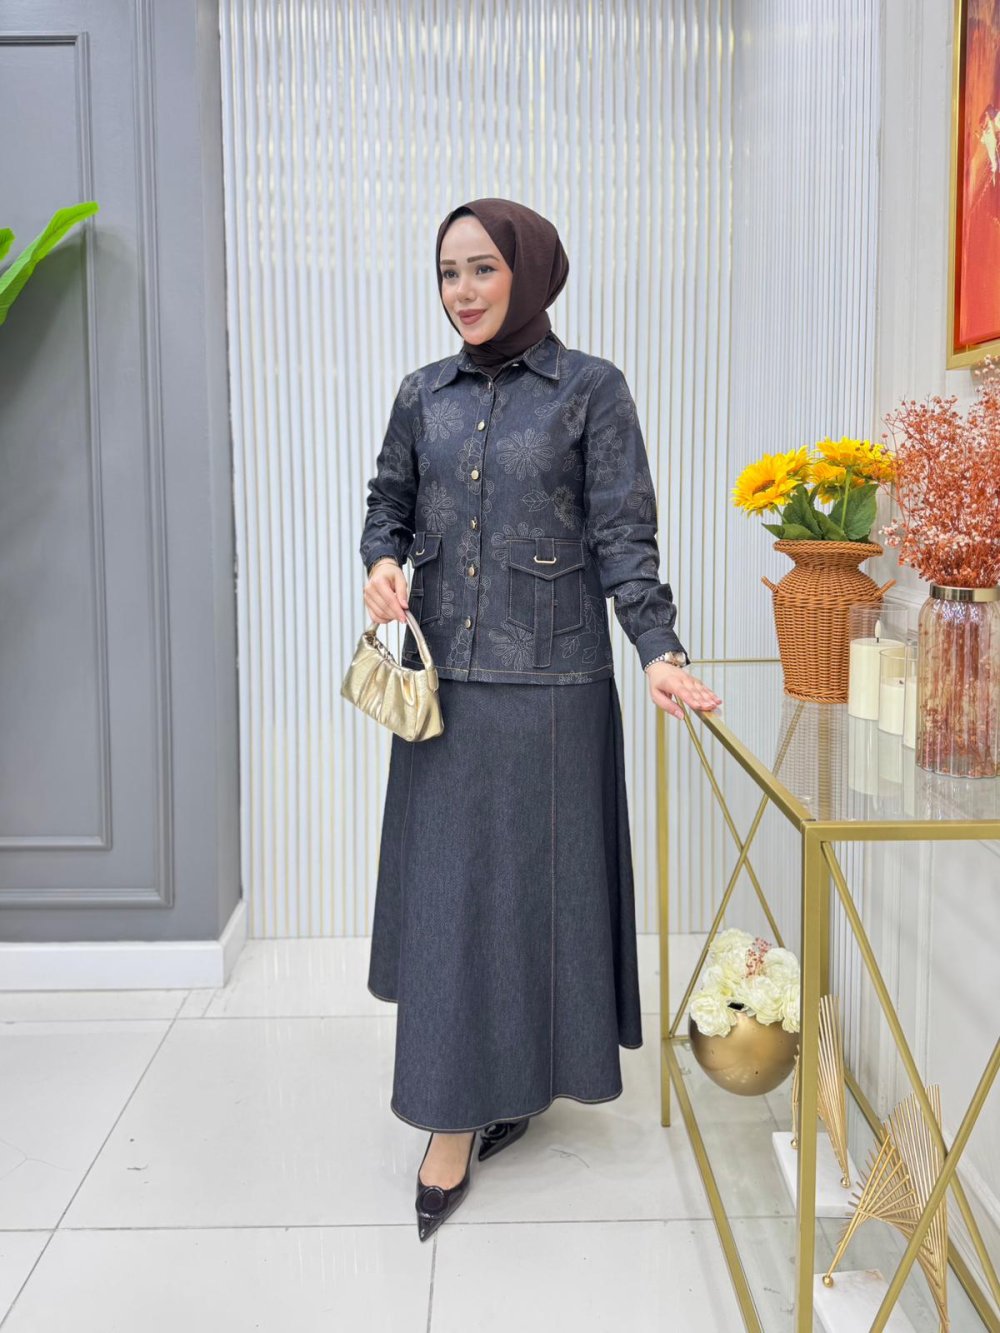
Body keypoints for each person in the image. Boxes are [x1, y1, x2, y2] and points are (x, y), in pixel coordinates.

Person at [358, 197, 721, 1241]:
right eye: (448, 272)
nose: (462, 291)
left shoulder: (590, 390)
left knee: (527, 904)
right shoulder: (421, 394)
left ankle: (512, 1083)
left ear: (528, 271)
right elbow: (387, 504)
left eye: (482, 267)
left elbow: (624, 534)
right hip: (444, 690)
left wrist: (657, 648)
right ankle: (448, 1118)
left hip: (557, 691)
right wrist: (381, 563)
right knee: (451, 907)